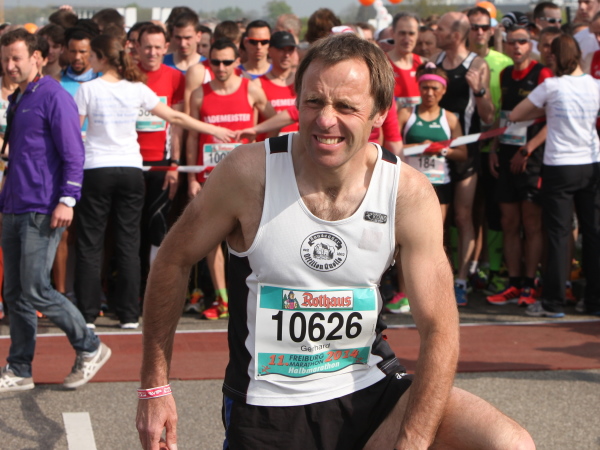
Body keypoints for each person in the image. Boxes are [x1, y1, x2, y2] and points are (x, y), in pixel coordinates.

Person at [136, 33, 535, 450]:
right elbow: (172, 260)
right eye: (314, 102)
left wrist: (413, 439)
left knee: (509, 444)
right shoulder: (249, 174)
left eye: (346, 106)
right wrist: (154, 387)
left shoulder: (406, 192)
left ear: (380, 113)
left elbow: (440, 326)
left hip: (373, 393)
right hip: (269, 409)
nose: (326, 120)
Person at [73, 34, 235, 329]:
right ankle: (128, 315)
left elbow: (72, 132)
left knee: (91, 243)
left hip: (96, 169)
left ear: (100, 57)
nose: (88, 61)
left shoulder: (88, 89)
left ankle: (87, 314)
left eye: (91, 56)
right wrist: (213, 129)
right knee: (129, 241)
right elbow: (176, 117)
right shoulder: (136, 88)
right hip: (130, 170)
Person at [0, 28, 111, 393]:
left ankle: (90, 345)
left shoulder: (54, 95)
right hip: (15, 206)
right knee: (15, 293)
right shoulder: (20, 97)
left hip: (43, 207)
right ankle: (19, 368)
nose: (9, 66)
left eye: (16, 58)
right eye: (5, 59)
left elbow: (73, 152)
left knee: (35, 289)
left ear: (37, 57)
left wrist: (68, 199)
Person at [510, 34, 600, 317]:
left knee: (559, 235)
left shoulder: (552, 86)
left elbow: (515, 114)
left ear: (556, 58)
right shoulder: (595, 85)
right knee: (593, 232)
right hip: (591, 163)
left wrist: (546, 108)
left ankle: (553, 302)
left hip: (560, 165)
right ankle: (595, 300)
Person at [186, 38, 275, 319]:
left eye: (227, 62)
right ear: (208, 63)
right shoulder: (199, 94)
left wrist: (260, 148)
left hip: (247, 179)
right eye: (215, 62)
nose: (221, 67)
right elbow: (192, 137)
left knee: (249, 236)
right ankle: (222, 299)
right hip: (210, 177)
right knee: (212, 239)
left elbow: (275, 120)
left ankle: (251, 295)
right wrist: (192, 177)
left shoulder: (251, 88)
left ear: (237, 61)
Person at [486, 25, 552, 307]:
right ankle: (513, 283)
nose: (517, 47)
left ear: (530, 45)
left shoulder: (542, 74)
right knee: (509, 222)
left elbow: (552, 119)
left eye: (522, 41)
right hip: (506, 152)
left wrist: (527, 151)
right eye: (512, 42)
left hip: (531, 157)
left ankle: (529, 283)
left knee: (531, 222)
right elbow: (504, 115)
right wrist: (494, 148)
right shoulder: (504, 74)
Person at [434, 12, 495, 306]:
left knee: (463, 215)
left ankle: (461, 281)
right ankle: (439, 278)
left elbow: (489, 116)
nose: (436, 32)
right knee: (437, 221)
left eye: (441, 29)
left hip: (466, 151)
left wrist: (479, 91)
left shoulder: (477, 64)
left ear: (456, 35)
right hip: (436, 153)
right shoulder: (434, 61)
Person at [134, 24, 186, 286]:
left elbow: (176, 124)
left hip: (161, 163)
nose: (152, 52)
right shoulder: (128, 75)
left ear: (166, 47)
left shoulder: (175, 77)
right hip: (130, 162)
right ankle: (129, 288)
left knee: (157, 227)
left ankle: (153, 287)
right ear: (137, 47)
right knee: (130, 230)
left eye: (157, 47)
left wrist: (174, 163)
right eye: (147, 47)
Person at [467, 6, 514, 295]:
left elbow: (509, 107)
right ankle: (464, 269)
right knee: (466, 212)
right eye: (474, 27)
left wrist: (497, 142)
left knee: (494, 212)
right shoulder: (458, 61)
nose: (480, 32)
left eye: (485, 27)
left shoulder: (504, 61)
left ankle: (493, 268)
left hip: (498, 147)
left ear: (492, 30)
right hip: (465, 147)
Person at [398, 62, 467, 224]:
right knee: (408, 228)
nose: (429, 93)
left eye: (435, 88)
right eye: (425, 87)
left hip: (439, 182)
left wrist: (441, 150)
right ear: (419, 87)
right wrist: (418, 147)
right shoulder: (406, 113)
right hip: (410, 181)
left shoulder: (450, 118)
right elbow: (391, 148)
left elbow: (463, 154)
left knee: (437, 230)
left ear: (443, 90)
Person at [256, 31, 298, 139]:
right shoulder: (257, 84)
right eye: (281, 49)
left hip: (299, 146)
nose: (286, 55)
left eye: (290, 50)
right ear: (270, 51)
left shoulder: (303, 81)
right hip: (269, 146)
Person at [387, 12, 422, 110]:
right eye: (402, 33)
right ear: (392, 33)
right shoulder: (382, 63)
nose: (407, 39)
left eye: (411, 34)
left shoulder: (423, 64)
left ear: (418, 34)